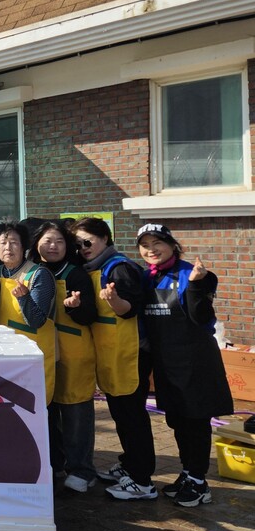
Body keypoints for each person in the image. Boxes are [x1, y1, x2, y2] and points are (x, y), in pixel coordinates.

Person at [136, 223, 232, 508]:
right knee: (176, 420)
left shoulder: (194, 273)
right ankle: (188, 472)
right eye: (145, 245)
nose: (151, 250)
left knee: (196, 421)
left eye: (157, 243)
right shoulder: (147, 278)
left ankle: (199, 482)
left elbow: (201, 316)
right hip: (166, 363)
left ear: (172, 245)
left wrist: (197, 283)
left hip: (195, 362)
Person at [72, 216, 154, 501]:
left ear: (105, 238)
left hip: (131, 354)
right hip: (113, 355)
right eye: (78, 244)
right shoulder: (95, 268)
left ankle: (142, 481)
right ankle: (129, 464)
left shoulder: (119, 268)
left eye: (88, 242)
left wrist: (113, 300)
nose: (83, 248)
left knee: (133, 417)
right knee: (121, 415)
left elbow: (130, 309)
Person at [30, 221, 99, 493]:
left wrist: (76, 307)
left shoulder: (75, 274)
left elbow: (90, 315)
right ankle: (55, 464)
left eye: (59, 241)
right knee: (47, 412)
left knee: (75, 413)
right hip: (44, 352)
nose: (53, 246)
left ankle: (82, 470)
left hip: (73, 353)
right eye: (47, 241)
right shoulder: (32, 272)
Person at [0, 221, 57, 405]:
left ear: (24, 247)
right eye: (3, 243)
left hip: (33, 353)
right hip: (4, 353)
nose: (8, 247)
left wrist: (24, 297)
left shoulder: (38, 274)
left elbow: (37, 320)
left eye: (14, 242)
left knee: (35, 407)